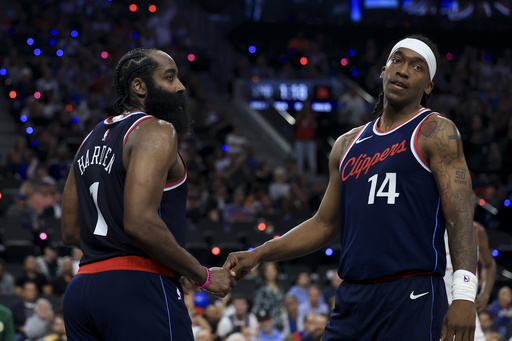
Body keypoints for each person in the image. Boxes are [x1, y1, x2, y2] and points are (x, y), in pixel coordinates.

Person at [225, 35, 478, 340]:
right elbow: (325, 224)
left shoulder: (436, 131)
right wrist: (260, 253)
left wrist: (464, 294)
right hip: (353, 298)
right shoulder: (346, 144)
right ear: (383, 71)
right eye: (397, 60)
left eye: (417, 66)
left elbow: (460, 214)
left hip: (411, 291)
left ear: (428, 87)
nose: (403, 70)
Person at [61, 47, 236, 340]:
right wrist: (203, 277)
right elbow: (140, 223)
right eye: (169, 78)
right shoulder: (157, 130)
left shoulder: (88, 140)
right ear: (139, 86)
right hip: (139, 286)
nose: (180, 87)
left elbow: (69, 231)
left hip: (82, 292)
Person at [444, 217, 497, 341]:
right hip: (434, 307)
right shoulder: (425, 224)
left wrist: (485, 294)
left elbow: (489, 264)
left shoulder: (475, 229)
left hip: (465, 309)